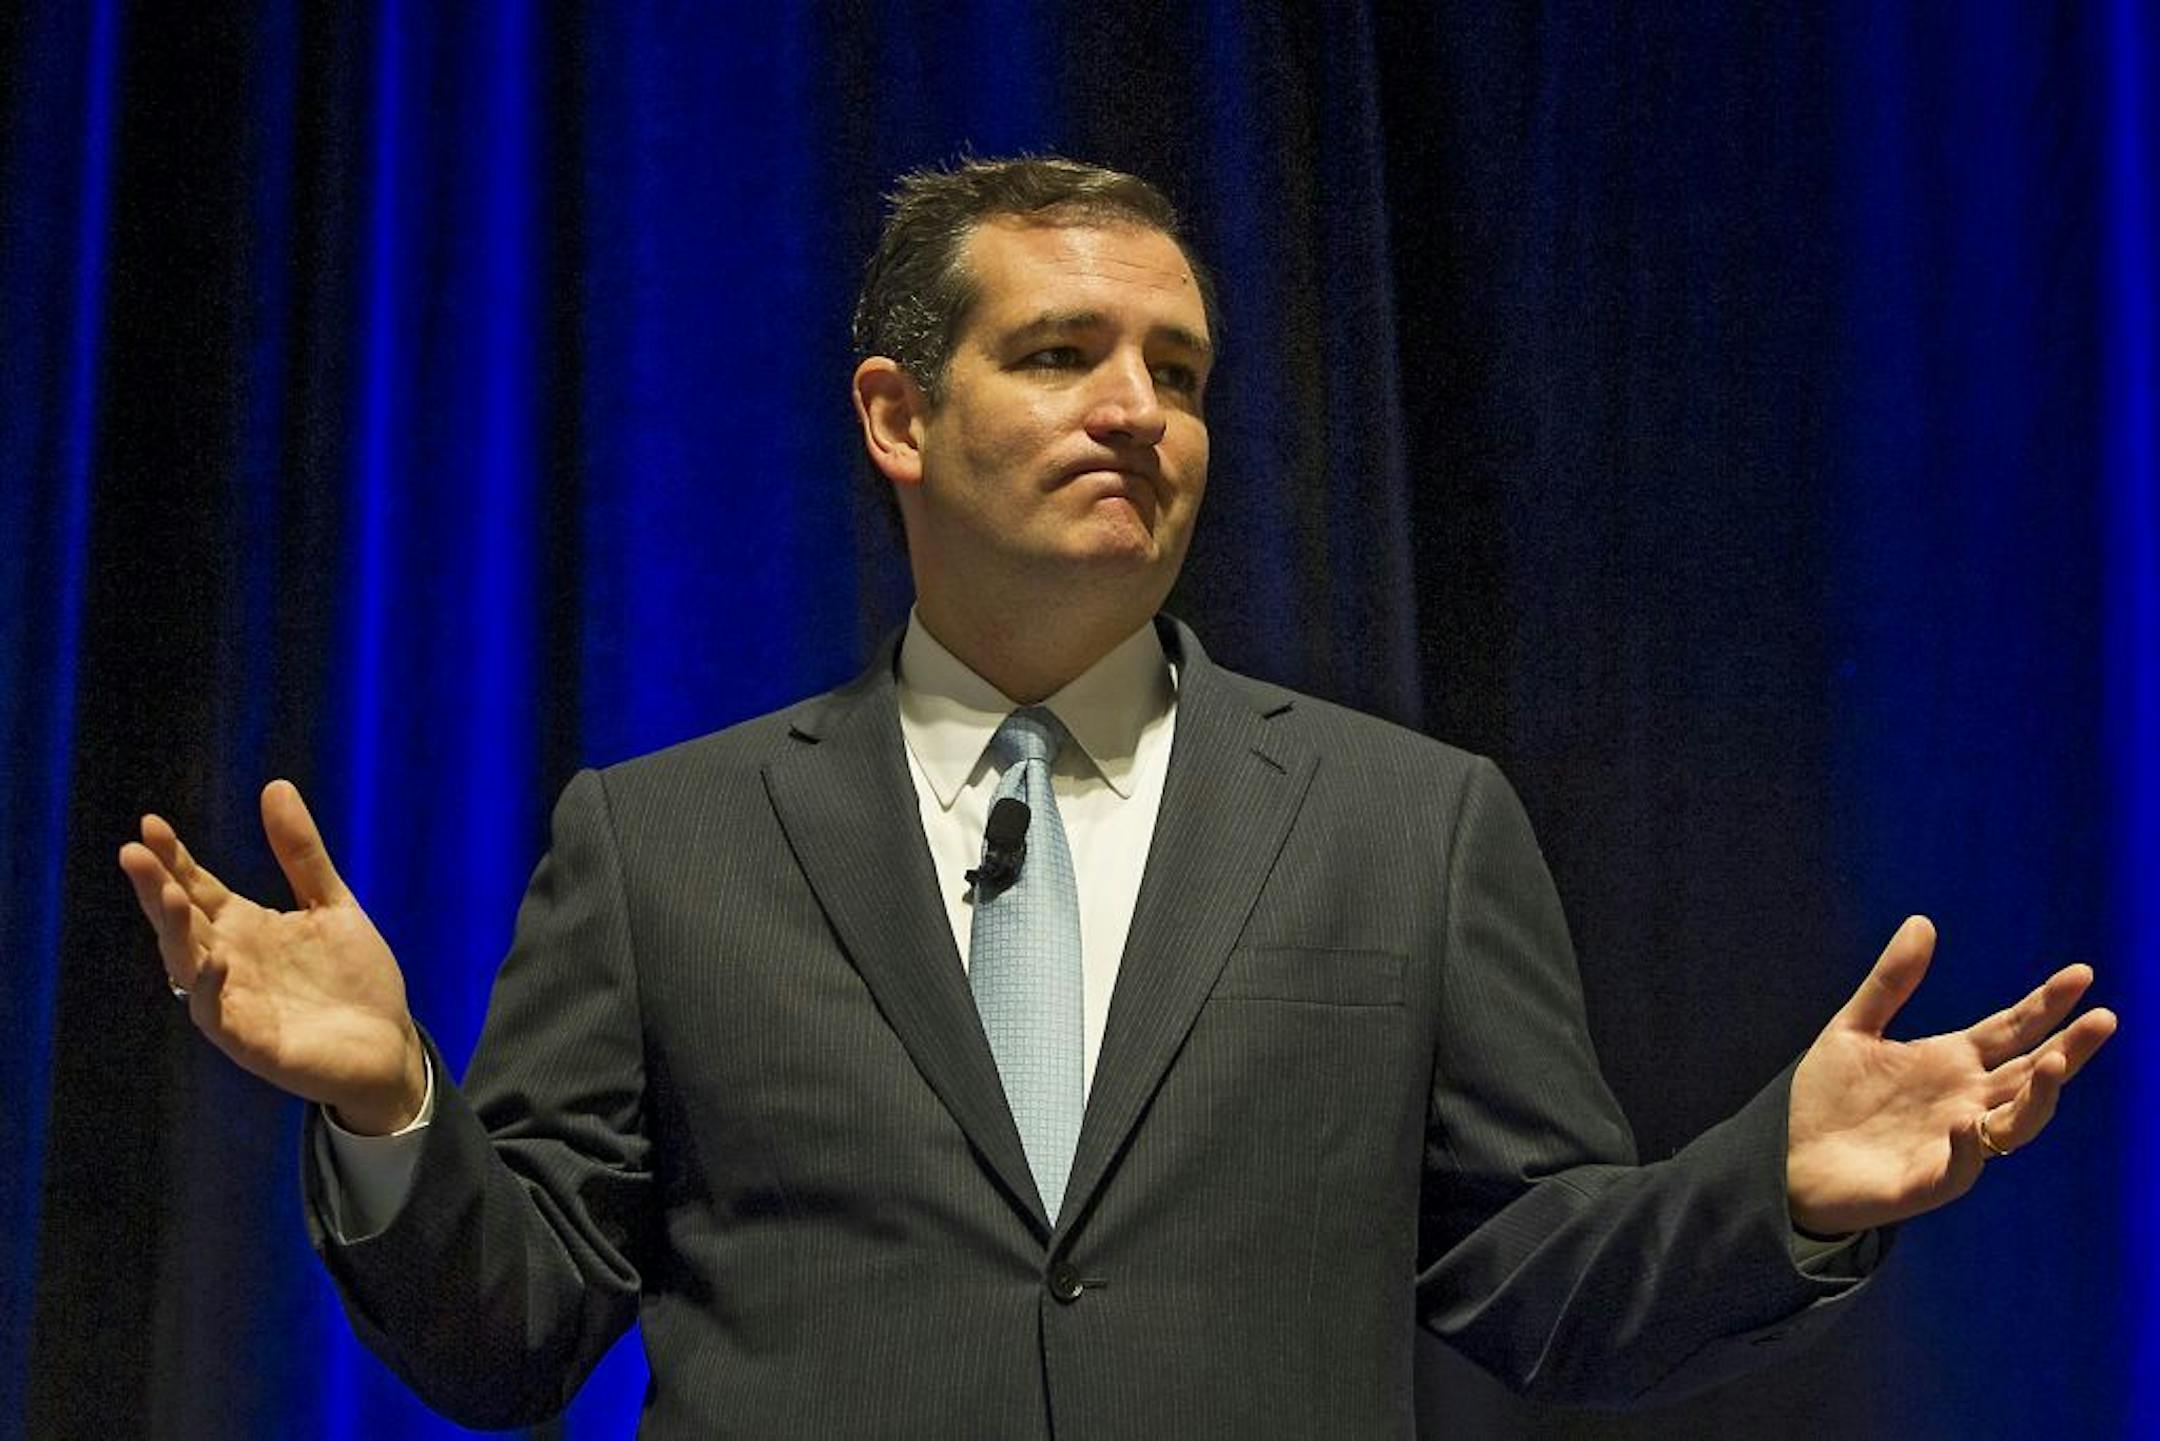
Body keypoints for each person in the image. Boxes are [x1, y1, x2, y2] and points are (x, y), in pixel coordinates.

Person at [118, 157, 2117, 1437]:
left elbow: (1537, 1288)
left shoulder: (1406, 827)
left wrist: (1768, 1183)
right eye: (1063, 351)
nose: (1135, 410)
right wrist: (392, 1108)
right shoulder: (663, 847)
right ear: (900, 417)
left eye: (1175, 366)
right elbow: (512, 1335)